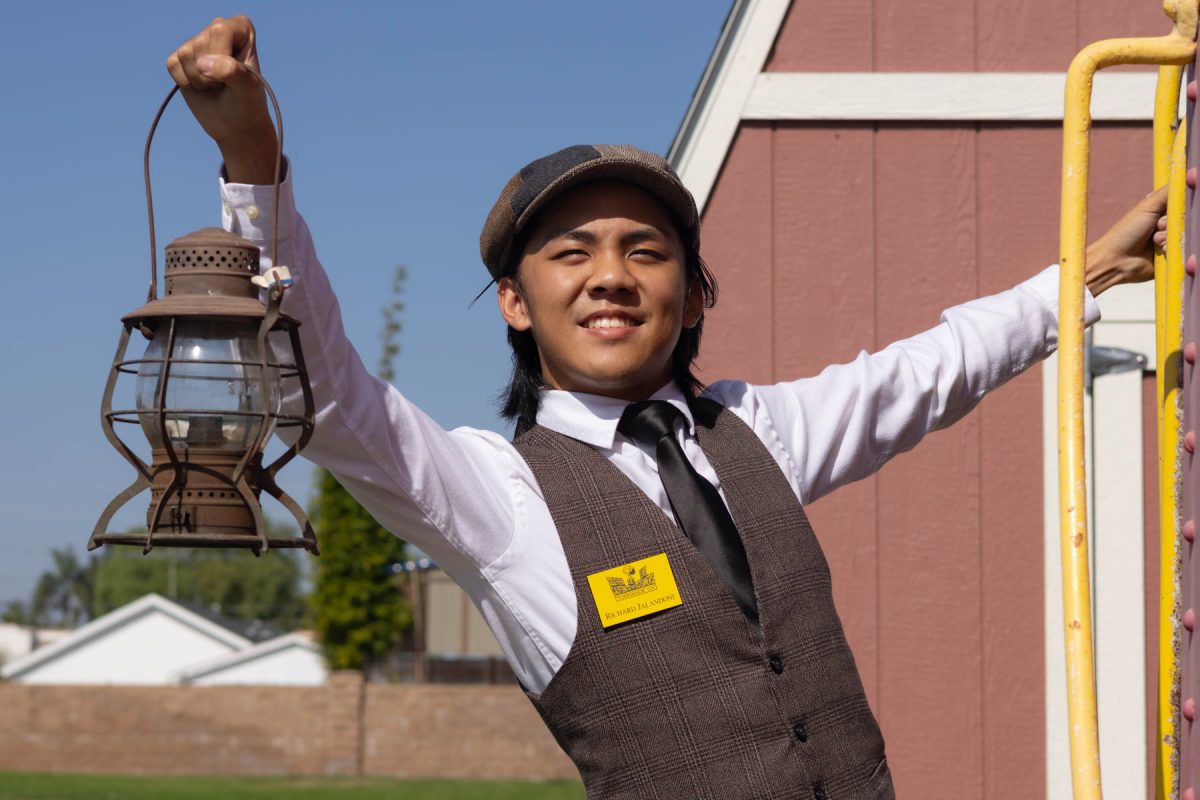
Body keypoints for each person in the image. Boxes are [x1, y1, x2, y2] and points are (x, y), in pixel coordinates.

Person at [167, 16, 1168, 800]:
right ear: (515, 302)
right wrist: (253, 161)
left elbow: (926, 370)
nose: (610, 277)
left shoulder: (757, 434)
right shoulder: (496, 495)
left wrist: (1085, 278)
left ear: (693, 298)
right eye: (570, 252)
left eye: (646, 250)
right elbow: (327, 390)